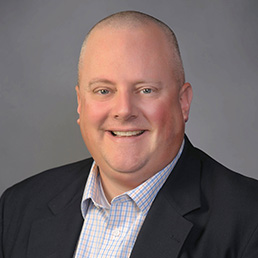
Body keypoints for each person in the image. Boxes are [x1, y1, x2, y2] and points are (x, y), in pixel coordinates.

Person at [1, 10, 258, 258]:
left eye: (146, 90)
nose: (124, 111)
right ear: (80, 103)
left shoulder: (248, 219)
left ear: (183, 102)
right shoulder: (19, 206)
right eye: (103, 91)